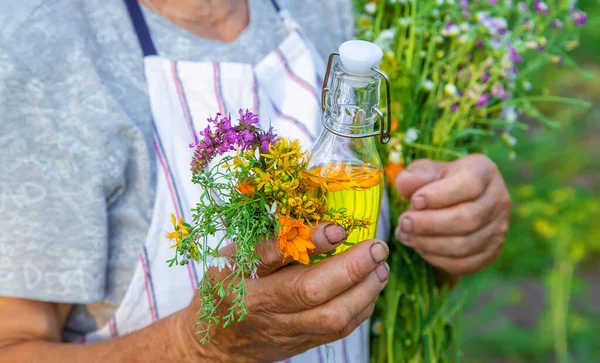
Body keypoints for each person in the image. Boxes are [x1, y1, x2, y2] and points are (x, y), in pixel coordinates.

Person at [0, 0, 512, 361]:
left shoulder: (321, 11)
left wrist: (449, 224)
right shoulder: (37, 50)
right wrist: (198, 347)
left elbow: (362, 236)